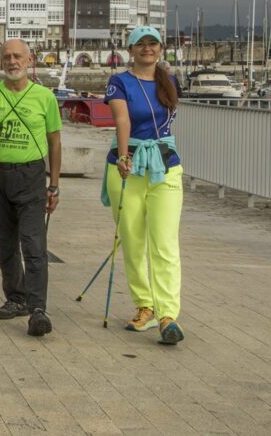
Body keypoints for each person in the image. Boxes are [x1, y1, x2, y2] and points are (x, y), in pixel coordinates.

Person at [104, 26, 185, 345]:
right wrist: (124, 157)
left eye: (152, 44)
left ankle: (168, 315)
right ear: (131, 49)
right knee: (133, 241)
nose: (147, 49)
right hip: (127, 166)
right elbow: (122, 120)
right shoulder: (119, 82)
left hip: (164, 167)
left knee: (164, 243)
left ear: (161, 48)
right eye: (141, 44)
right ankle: (145, 307)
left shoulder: (170, 81)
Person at [0, 39, 62, 337]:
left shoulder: (44, 97)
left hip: (32, 176)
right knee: (5, 244)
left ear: (29, 60)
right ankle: (16, 298)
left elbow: (54, 141)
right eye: (7, 57)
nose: (12, 62)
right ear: (1, 62)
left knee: (33, 245)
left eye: (18, 57)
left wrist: (55, 185)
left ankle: (38, 309)